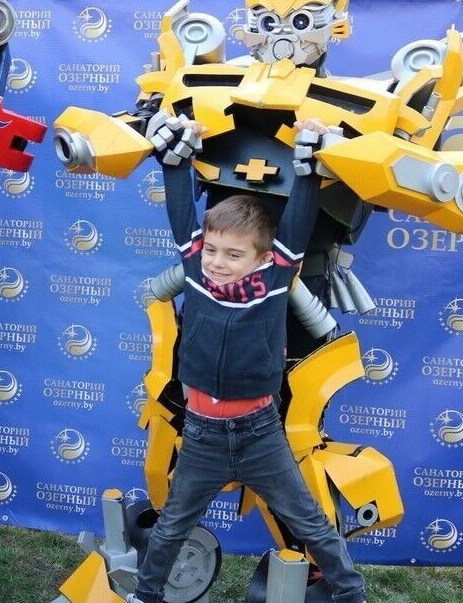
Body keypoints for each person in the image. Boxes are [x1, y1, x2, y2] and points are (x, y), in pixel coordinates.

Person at [127, 117, 367, 603]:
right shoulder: (196, 271)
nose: (217, 261)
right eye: (212, 250)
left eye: (233, 255)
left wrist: (307, 166)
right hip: (202, 436)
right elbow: (181, 214)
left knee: (311, 524)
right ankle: (145, 596)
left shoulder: (275, 279)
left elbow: (296, 227)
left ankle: (352, 594)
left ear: (262, 259)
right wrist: (174, 162)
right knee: (172, 526)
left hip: (260, 435)